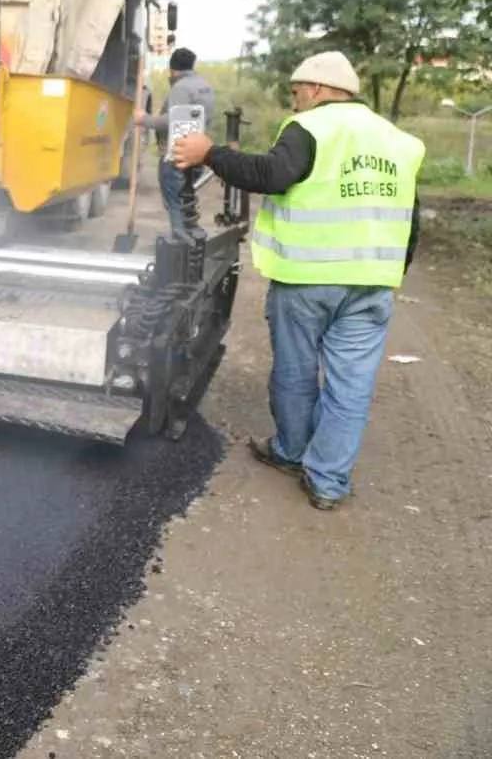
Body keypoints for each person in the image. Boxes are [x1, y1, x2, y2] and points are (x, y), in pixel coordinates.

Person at [173, 50, 424, 511]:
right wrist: (393, 272)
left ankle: (291, 452)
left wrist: (209, 152)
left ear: (317, 89)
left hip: (308, 279)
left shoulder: (310, 129)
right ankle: (328, 482)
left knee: (296, 369)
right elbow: (411, 216)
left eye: (295, 94)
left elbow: (271, 175)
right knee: (351, 385)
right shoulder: (397, 140)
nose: (294, 104)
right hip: (372, 284)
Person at [134, 47, 216, 236]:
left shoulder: (181, 88)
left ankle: (181, 244)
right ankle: (193, 238)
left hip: (176, 155)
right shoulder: (204, 86)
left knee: (175, 203)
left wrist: (143, 119)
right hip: (197, 153)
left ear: (173, 70)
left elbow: (172, 122)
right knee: (187, 200)